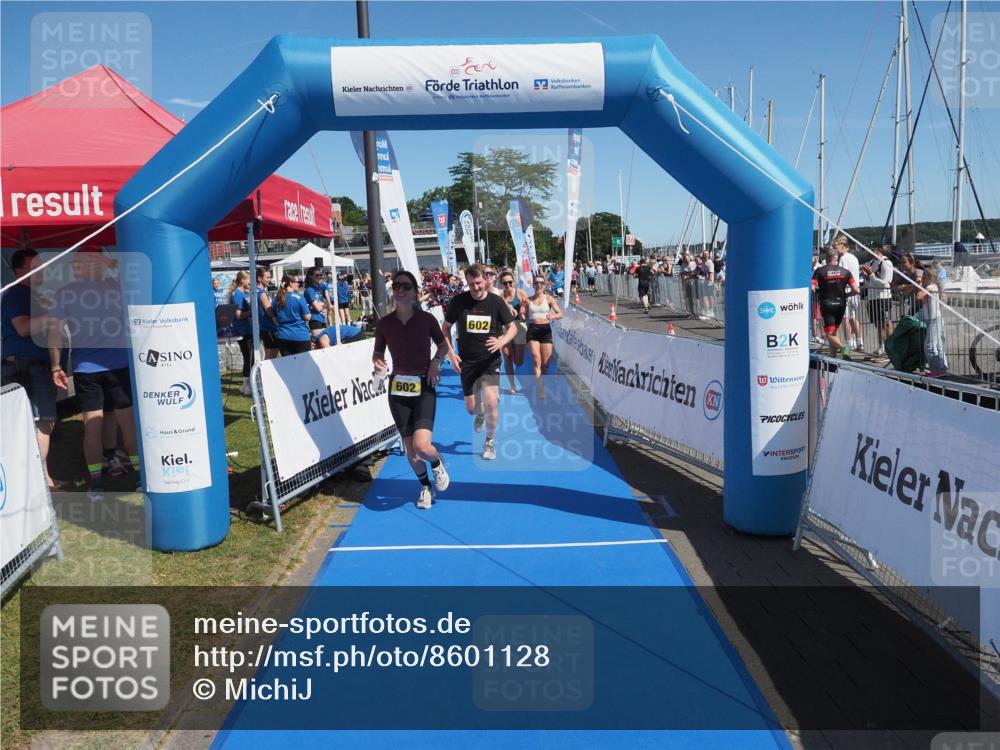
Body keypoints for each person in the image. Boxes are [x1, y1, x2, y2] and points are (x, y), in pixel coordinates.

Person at [47, 249, 139, 500]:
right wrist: (109, 262)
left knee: (92, 426)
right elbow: (129, 274)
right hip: (118, 364)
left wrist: (55, 366)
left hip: (85, 368)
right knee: (127, 423)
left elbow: (54, 332)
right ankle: (140, 478)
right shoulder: (115, 286)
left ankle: (97, 484)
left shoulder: (64, 293)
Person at [373, 270, 450, 509]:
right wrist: (378, 362)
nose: (401, 290)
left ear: (415, 292)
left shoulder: (426, 320)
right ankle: (425, 487)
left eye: (406, 286)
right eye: (396, 286)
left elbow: (443, 346)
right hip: (398, 390)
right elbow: (377, 352)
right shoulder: (385, 323)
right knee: (412, 452)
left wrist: (436, 362)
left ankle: (436, 462)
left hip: (424, 386)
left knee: (422, 446)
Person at [442, 264, 517, 460]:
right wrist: (451, 354)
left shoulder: (496, 302)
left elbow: (513, 328)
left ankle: (490, 442)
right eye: (471, 284)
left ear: (486, 280)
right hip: (467, 362)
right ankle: (480, 413)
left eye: (478, 283)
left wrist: (501, 341)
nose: (475, 287)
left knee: (491, 401)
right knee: (471, 409)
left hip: (490, 360)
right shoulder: (459, 302)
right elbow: (445, 328)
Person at [1, 249, 61, 489]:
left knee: (39, 423)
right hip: (27, 368)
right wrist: (54, 315)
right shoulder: (17, 294)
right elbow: (23, 328)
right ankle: (36, 482)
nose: (42, 270)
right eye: (34, 266)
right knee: (42, 421)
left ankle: (44, 478)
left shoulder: (34, 295)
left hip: (32, 366)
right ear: (19, 272)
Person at [812, 247, 860, 360]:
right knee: (833, 333)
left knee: (829, 334)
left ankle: (844, 348)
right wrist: (847, 295)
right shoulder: (845, 272)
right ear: (836, 258)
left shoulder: (820, 271)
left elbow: (812, 287)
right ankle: (833, 358)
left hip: (827, 305)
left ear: (826, 257)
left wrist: (818, 291)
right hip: (841, 305)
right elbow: (856, 290)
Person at [525, 274, 564, 400]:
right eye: (536, 283)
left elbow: (560, 314)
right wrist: (521, 312)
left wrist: (553, 316)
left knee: (546, 363)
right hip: (532, 331)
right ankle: (540, 388)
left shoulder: (549, 298)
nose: (539, 285)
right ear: (533, 285)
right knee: (537, 360)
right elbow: (523, 314)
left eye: (541, 283)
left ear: (544, 285)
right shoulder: (528, 300)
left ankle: (543, 381)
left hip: (546, 331)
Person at [498, 270, 528, 394]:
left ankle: (516, 351)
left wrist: (523, 311)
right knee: (507, 356)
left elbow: (527, 311)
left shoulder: (520, 293)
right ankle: (512, 385)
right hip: (504, 328)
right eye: (505, 283)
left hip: (519, 328)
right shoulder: (499, 295)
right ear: (501, 284)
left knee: (518, 362)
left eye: (510, 282)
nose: (508, 285)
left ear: (513, 281)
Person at [861, 245, 895, 356]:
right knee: (878, 324)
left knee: (886, 323)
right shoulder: (871, 263)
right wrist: (866, 277)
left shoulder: (886, 263)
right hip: (872, 298)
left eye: (871, 249)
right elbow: (868, 284)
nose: (868, 251)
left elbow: (885, 283)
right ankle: (881, 347)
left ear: (878, 250)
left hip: (883, 297)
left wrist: (871, 275)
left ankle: (891, 348)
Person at [834, 235, 864, 351]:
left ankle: (848, 343)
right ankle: (859, 342)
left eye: (836, 247)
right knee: (853, 318)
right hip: (855, 290)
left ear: (843, 246)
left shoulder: (843, 259)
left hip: (847, 290)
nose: (836, 250)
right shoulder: (854, 257)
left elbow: (841, 275)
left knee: (845, 318)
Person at [916, 270, 948, 376]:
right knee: (938, 345)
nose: (923, 278)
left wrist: (920, 285)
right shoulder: (930, 287)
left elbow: (919, 296)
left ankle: (936, 370)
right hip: (932, 319)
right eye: (922, 276)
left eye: (925, 277)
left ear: (930, 278)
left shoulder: (931, 287)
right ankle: (942, 368)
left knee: (929, 345)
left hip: (934, 319)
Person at [272, 273, 312, 356]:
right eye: (297, 282)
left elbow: (275, 318)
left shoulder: (276, 299)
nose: (299, 284)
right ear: (290, 283)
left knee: (288, 363)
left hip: (283, 336)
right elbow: (307, 317)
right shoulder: (299, 298)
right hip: (300, 336)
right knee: (303, 363)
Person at [227, 271, 253, 394]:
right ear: (242, 280)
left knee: (251, 357)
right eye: (248, 279)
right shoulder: (237, 294)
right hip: (242, 330)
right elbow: (238, 315)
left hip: (247, 329)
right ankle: (246, 386)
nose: (250, 282)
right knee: (248, 357)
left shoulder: (243, 293)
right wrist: (253, 312)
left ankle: (249, 384)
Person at [256, 267, 279, 359]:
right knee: (271, 356)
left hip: (263, 327)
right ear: (259, 278)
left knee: (270, 355)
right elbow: (270, 312)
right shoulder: (261, 294)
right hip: (268, 327)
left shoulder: (255, 291)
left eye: (270, 277)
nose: (269, 280)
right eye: (267, 277)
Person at [303, 268, 331, 346]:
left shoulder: (319, 288)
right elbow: (318, 308)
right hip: (315, 320)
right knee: (319, 345)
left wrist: (322, 304)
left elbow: (325, 304)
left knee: (325, 343)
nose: (320, 277)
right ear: (310, 276)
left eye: (321, 275)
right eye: (317, 275)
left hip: (323, 319)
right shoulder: (309, 290)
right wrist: (323, 305)